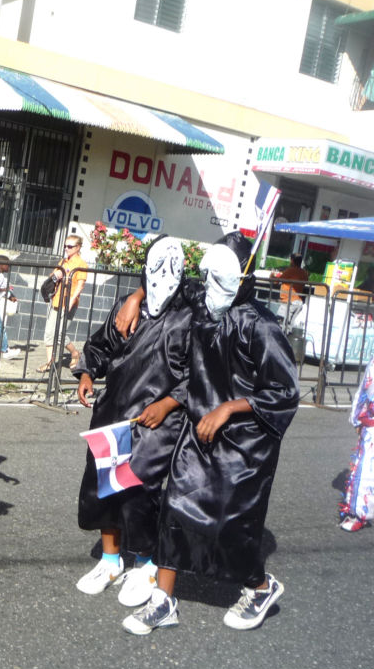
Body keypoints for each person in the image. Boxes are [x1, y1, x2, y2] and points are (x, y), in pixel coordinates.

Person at [115, 232, 299, 635]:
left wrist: (230, 407)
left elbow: (284, 392)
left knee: (229, 526)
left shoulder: (262, 326)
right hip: (198, 432)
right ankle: (163, 601)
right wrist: (136, 296)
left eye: (221, 273)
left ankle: (261, 587)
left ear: (242, 273)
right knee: (174, 507)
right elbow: (168, 283)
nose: (208, 281)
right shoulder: (201, 302)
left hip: (246, 443)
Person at [72, 237, 191, 607]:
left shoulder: (189, 316)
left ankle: (145, 563)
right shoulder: (127, 310)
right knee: (103, 482)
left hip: (156, 418)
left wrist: (171, 402)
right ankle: (110, 560)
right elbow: (100, 345)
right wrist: (87, 372)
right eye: (153, 272)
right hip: (115, 410)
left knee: (141, 487)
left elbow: (200, 374)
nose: (161, 279)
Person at [338, 350, 374, 532]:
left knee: (368, 469)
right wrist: (357, 417)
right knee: (367, 468)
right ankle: (359, 512)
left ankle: (358, 513)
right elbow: (366, 388)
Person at [37, 235, 88, 374]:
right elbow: (52, 278)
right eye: (65, 246)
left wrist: (71, 301)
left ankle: (75, 353)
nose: (66, 248)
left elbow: (80, 285)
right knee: (49, 333)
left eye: (70, 246)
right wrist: (55, 276)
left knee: (60, 334)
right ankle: (50, 363)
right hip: (56, 300)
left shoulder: (81, 264)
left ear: (78, 248)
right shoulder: (63, 261)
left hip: (69, 302)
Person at [274, 253, 308, 333]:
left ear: (292, 261)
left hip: (289, 302)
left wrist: (272, 275)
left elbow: (276, 281)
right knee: (288, 327)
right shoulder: (304, 273)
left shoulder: (290, 270)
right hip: (298, 302)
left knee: (280, 324)